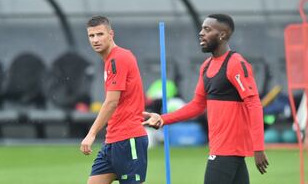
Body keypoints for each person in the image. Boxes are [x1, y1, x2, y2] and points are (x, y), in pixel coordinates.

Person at [143, 14, 269, 184]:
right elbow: (196, 105)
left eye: (207, 29)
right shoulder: (206, 66)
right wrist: (162, 119)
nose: (201, 33)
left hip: (227, 149)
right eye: (202, 28)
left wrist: (258, 147)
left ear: (222, 35)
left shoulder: (236, 64)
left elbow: (254, 104)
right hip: (223, 147)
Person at [80, 16, 148, 184]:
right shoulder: (111, 60)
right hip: (112, 140)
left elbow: (112, 101)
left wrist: (91, 133)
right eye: (91, 36)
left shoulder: (118, 59)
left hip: (128, 138)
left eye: (100, 34)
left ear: (111, 34)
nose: (95, 40)